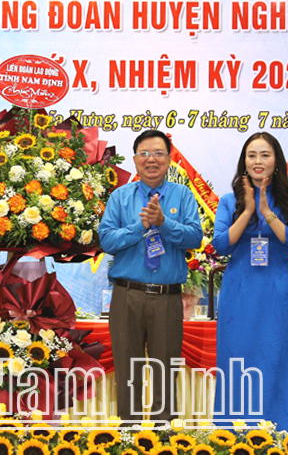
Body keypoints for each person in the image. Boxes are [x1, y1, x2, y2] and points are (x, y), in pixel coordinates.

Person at [99, 130, 203, 423]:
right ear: (135, 160)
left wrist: (163, 223)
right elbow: (106, 240)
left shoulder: (182, 195)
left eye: (158, 153)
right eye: (144, 153)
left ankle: (163, 434)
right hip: (127, 296)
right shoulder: (120, 197)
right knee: (127, 371)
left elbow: (195, 237)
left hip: (167, 298)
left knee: (165, 372)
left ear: (169, 159)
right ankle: (128, 434)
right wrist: (140, 227)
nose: (151, 159)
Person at [211, 132, 288, 426]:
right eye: (251, 155)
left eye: (265, 154)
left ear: (276, 160)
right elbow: (221, 246)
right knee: (237, 358)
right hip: (240, 291)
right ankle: (234, 431)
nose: (258, 161)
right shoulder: (229, 201)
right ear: (244, 161)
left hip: (278, 291)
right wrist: (249, 211)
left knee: (278, 356)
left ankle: (281, 429)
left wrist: (267, 212)